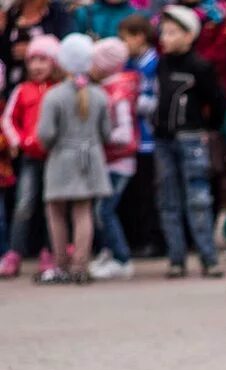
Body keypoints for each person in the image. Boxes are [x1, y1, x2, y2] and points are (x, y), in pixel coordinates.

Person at [153, 5, 226, 279]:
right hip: (164, 140)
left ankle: (208, 258)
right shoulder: (162, 64)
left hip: (191, 138)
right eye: (164, 32)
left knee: (198, 199)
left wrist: (208, 128)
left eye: (173, 32)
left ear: (189, 36)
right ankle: (176, 258)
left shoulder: (200, 66)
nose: (166, 37)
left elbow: (217, 100)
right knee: (168, 199)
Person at [36, 33, 111, 284]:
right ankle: (81, 265)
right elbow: (106, 133)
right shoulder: (99, 95)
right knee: (83, 212)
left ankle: (61, 264)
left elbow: (45, 133)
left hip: (61, 159)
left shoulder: (54, 96)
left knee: (56, 212)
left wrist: (52, 145)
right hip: (90, 157)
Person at [0, 33, 57, 279]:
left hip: (55, 157)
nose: (37, 66)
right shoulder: (22, 90)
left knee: (51, 207)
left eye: (43, 60)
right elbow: (8, 120)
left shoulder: (59, 90)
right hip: (30, 158)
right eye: (32, 60)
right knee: (24, 205)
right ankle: (14, 253)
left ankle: (50, 252)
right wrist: (19, 141)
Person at [87, 37, 138, 281]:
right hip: (108, 161)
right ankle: (108, 252)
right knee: (100, 211)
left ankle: (122, 258)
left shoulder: (117, 92)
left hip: (119, 162)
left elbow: (125, 134)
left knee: (105, 211)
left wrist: (98, 136)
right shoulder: (106, 88)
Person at [118, 14, 162, 261]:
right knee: (134, 193)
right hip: (130, 139)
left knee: (149, 192)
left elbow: (156, 101)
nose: (123, 45)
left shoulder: (154, 64)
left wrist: (133, 102)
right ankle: (137, 239)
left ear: (140, 37)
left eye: (125, 39)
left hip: (149, 138)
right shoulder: (128, 64)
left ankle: (154, 240)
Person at [2, 0, 73, 91]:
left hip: (50, 86)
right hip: (15, 84)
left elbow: (67, 46)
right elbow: (4, 53)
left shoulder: (55, 12)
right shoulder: (11, 14)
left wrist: (31, 50)